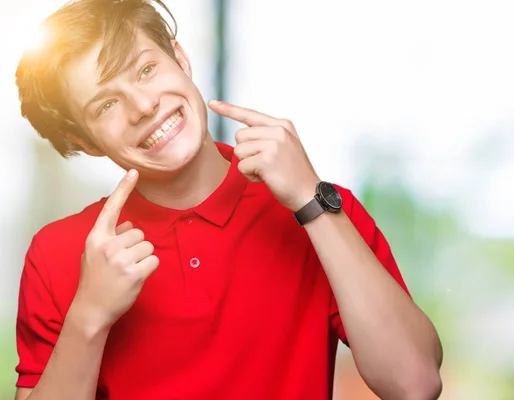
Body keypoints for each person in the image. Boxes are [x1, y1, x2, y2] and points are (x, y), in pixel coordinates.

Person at [13, 0, 443, 399]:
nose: (143, 105)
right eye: (106, 104)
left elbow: (415, 384)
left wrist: (311, 203)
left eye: (145, 70)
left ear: (180, 60)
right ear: (84, 142)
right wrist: (88, 316)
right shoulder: (59, 253)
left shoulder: (321, 207)